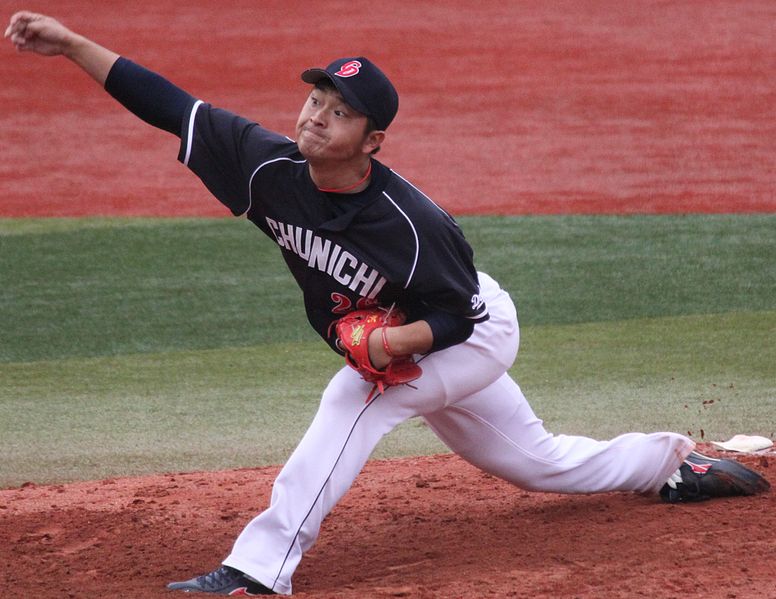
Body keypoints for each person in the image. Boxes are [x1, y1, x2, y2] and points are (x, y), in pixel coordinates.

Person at [6, 11, 770, 597]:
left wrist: (392, 344)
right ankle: (670, 460)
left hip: (468, 330)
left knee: (353, 399)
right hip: (427, 332)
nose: (314, 115)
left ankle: (258, 568)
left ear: (373, 140)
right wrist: (73, 43)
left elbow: (459, 320)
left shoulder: (412, 225)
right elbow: (173, 106)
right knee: (534, 462)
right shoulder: (268, 167)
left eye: (337, 111)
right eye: (314, 98)